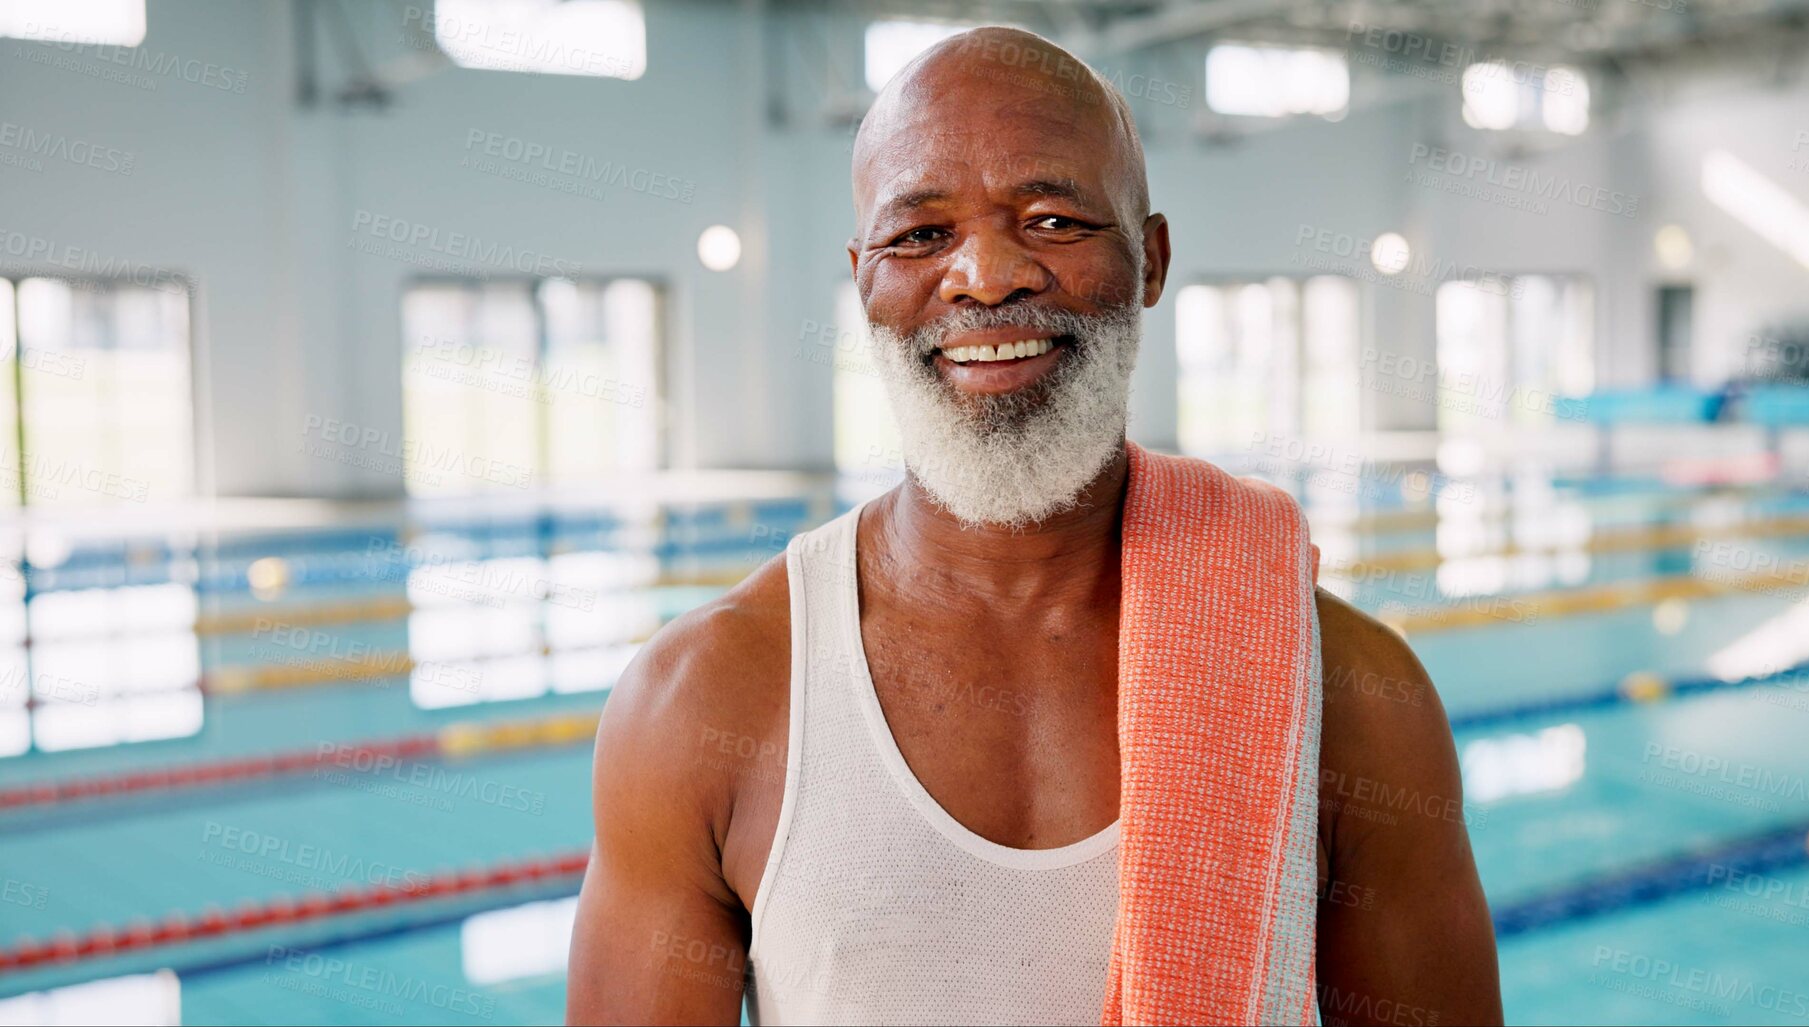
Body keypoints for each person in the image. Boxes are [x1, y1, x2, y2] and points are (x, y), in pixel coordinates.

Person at [568, 26, 1501, 1026]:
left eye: (1053, 218)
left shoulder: (1349, 697)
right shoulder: (699, 703)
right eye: (919, 235)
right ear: (862, 281)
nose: (984, 276)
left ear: (1151, 259)